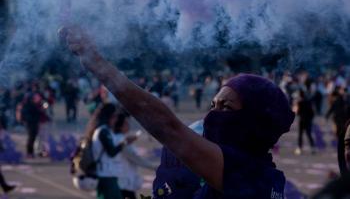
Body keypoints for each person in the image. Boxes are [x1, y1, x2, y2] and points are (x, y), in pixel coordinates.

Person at [60, 26, 295, 198]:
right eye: (213, 105)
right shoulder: (259, 173)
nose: (214, 114)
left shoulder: (249, 173)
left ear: (254, 122)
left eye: (226, 107)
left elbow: (167, 126)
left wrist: (97, 63)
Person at [91, 103, 137, 199]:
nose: (116, 119)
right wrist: (124, 142)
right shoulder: (103, 131)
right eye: (114, 116)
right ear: (108, 116)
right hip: (106, 175)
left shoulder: (106, 131)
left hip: (109, 175)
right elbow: (111, 152)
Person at [113, 110, 157, 199]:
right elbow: (136, 158)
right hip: (124, 182)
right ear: (120, 126)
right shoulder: (121, 141)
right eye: (126, 123)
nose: (128, 124)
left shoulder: (117, 138)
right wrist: (155, 167)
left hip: (122, 181)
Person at [295, 89, 315, 155]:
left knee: (300, 135)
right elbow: (312, 112)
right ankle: (313, 148)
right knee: (309, 134)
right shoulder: (308, 101)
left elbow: (297, 112)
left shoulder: (299, 102)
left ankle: (299, 148)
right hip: (308, 120)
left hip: (302, 120)